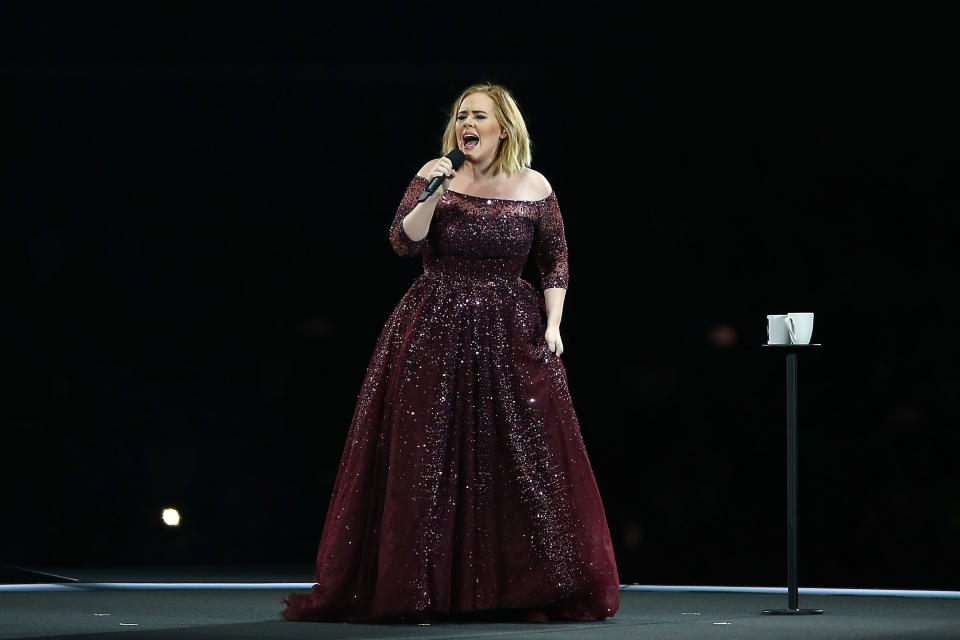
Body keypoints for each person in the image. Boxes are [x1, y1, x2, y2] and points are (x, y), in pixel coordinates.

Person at [281, 82, 620, 623]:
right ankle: (420, 588)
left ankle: (522, 589)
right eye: (461, 115)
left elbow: (554, 261)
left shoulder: (535, 186)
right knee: (428, 456)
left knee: (516, 458)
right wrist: (432, 190)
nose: (467, 123)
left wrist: (554, 324)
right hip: (435, 322)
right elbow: (403, 241)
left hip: (511, 330)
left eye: (479, 115)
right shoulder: (434, 174)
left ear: (502, 127)